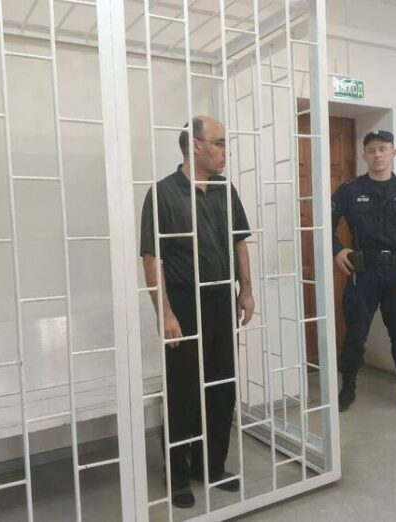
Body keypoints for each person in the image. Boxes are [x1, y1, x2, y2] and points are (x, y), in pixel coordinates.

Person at [139, 116, 255, 508]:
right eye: (219, 143)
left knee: (221, 388)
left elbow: (239, 242)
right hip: (184, 304)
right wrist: (165, 313)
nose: (224, 151)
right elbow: (152, 258)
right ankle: (177, 475)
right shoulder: (162, 194)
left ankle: (211, 466)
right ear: (197, 146)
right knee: (183, 391)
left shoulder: (225, 190)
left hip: (222, 299)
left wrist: (246, 290)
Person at [331, 130, 396, 418]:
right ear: (364, 155)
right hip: (363, 273)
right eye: (372, 150)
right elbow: (323, 223)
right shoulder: (350, 190)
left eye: (383, 149)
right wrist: (337, 250)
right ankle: (348, 387)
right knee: (355, 334)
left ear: (393, 153)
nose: (377, 155)